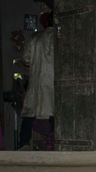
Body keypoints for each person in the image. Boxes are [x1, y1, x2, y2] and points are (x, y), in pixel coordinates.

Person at [20, 11, 55, 150]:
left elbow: (26, 59)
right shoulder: (61, 38)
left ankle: (23, 144)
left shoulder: (35, 38)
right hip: (53, 83)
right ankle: (55, 143)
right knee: (54, 112)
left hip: (36, 81)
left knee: (30, 114)